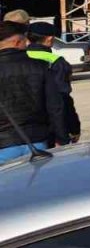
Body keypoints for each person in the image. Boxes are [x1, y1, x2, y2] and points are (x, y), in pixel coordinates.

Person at [0, 20, 67, 162]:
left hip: (3, 145)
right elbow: (55, 107)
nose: (28, 44)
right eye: (25, 41)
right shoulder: (40, 67)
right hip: (38, 141)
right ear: (17, 42)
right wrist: (61, 138)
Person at [25, 22, 80, 144]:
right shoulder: (56, 62)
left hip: (20, 129)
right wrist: (73, 128)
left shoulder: (19, 59)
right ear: (50, 39)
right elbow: (63, 99)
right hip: (49, 128)